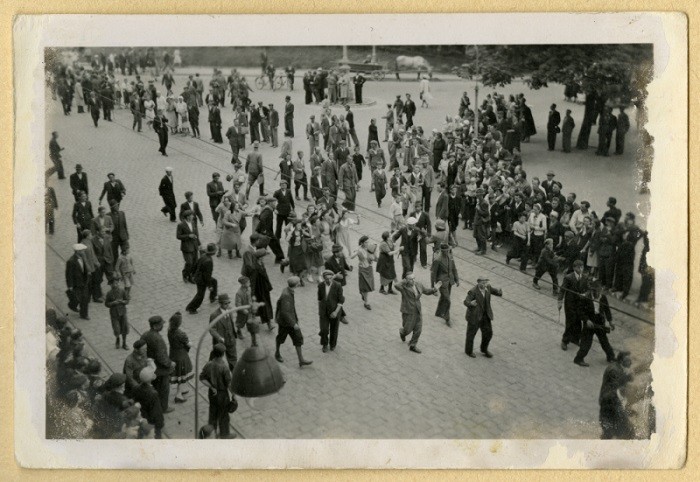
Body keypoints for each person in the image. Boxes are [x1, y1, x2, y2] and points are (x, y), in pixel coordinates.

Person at [573, 280, 616, 367]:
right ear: (592, 290)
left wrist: (610, 321)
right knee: (586, 343)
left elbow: (607, 309)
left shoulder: (603, 297)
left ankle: (610, 357)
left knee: (604, 341)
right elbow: (579, 311)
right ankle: (578, 359)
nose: (597, 293)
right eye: (595, 291)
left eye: (599, 290)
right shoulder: (586, 297)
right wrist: (586, 320)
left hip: (599, 322)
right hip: (589, 322)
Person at [395, 272, 438, 354]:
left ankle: (412, 345)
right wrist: (404, 281)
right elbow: (396, 285)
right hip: (408, 311)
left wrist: (434, 289)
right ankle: (402, 332)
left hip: (417, 309)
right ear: (406, 280)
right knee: (407, 329)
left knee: (418, 328)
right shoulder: (403, 287)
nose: (413, 280)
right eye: (411, 279)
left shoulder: (418, 284)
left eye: (414, 278)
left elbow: (426, 291)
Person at [274, 277, 314, 367]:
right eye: (299, 282)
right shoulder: (287, 295)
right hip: (285, 323)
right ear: (296, 284)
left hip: (290, 321)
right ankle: (277, 353)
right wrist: (294, 324)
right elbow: (285, 312)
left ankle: (301, 360)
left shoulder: (288, 290)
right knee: (280, 338)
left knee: (298, 338)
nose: (300, 283)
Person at [199, 344, 236, 438]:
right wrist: (234, 395)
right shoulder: (224, 367)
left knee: (213, 414)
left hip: (212, 394)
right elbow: (229, 384)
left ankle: (211, 433)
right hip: (222, 395)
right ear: (223, 354)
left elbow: (201, 378)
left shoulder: (209, 364)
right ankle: (225, 434)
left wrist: (211, 387)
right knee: (224, 416)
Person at [141, 315, 175, 414]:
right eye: (161, 325)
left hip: (150, 367)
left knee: (154, 387)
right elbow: (162, 357)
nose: (162, 326)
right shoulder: (157, 339)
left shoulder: (145, 334)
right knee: (164, 389)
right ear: (155, 326)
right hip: (160, 370)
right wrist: (170, 364)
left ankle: (153, 405)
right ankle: (164, 407)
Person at [463, 276, 503, 358]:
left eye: (486, 282)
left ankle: (484, 349)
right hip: (474, 316)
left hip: (485, 315)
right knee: (471, 335)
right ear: (478, 282)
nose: (484, 284)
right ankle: (468, 351)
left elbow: (494, 291)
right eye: (482, 283)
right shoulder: (473, 291)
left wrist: (499, 292)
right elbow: (465, 301)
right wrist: (470, 303)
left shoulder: (488, 287)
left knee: (488, 333)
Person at [242, 234, 275, 331]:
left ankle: (267, 321)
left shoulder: (258, 257)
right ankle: (262, 321)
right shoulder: (250, 255)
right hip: (255, 284)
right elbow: (250, 270)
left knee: (264, 301)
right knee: (258, 302)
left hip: (262, 284)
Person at [599, 351, 634, 439]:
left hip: (609, 400)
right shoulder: (614, 370)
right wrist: (627, 378)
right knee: (626, 429)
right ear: (622, 361)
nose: (631, 362)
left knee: (609, 430)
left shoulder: (617, 367)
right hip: (609, 402)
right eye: (628, 361)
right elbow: (616, 383)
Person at [558, 259, 588, 351]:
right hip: (570, 304)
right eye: (579, 267)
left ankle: (575, 339)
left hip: (580, 304)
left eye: (582, 267)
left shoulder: (584, 277)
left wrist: (585, 294)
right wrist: (559, 301)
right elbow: (562, 290)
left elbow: (587, 289)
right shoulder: (568, 278)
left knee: (578, 322)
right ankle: (565, 341)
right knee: (570, 322)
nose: (581, 269)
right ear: (574, 268)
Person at [133, 366, 165, 439]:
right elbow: (157, 412)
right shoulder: (153, 393)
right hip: (152, 422)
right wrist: (160, 424)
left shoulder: (136, 387)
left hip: (143, 417)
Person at [167, 312, 193, 403]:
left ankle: (181, 389)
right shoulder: (181, 334)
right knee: (182, 374)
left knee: (178, 374)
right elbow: (189, 344)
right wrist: (190, 343)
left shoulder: (169, 330)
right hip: (181, 355)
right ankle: (178, 394)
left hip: (173, 354)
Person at [186, 243, 218, 314]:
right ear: (213, 252)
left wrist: (192, 274)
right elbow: (207, 276)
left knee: (214, 281)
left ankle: (212, 297)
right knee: (200, 295)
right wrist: (209, 286)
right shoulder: (209, 261)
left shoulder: (203, 255)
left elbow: (196, 265)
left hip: (199, 276)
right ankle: (191, 308)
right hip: (202, 280)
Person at [431, 244, 459, 326]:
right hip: (441, 283)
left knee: (444, 298)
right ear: (442, 251)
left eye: (448, 250)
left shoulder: (450, 257)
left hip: (450, 281)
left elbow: (454, 268)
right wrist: (433, 287)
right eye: (445, 251)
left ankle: (439, 312)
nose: (447, 252)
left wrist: (457, 280)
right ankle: (447, 318)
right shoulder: (437, 260)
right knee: (447, 300)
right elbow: (433, 274)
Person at [209, 293, 238, 370]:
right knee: (216, 359)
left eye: (229, 302)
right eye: (225, 303)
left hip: (231, 339)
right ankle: (210, 370)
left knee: (233, 360)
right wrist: (219, 337)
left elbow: (231, 323)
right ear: (220, 303)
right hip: (220, 342)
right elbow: (212, 329)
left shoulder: (230, 310)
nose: (228, 305)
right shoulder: (214, 315)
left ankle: (234, 375)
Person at [317, 269, 345, 353]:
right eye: (326, 278)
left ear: (332, 277)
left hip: (334, 311)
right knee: (324, 329)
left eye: (330, 278)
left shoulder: (338, 285)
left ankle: (332, 344)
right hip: (324, 311)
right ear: (324, 278)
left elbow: (341, 301)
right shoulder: (321, 285)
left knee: (334, 329)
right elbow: (319, 299)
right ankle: (324, 344)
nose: (328, 280)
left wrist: (336, 312)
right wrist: (320, 311)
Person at [65, 243, 91, 320]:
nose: (84, 252)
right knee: (77, 298)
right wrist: (70, 286)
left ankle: (84, 314)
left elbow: (84, 269)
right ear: (78, 251)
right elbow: (68, 275)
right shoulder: (71, 261)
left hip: (84, 282)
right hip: (76, 284)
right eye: (82, 251)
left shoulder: (82, 258)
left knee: (85, 299)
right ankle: (72, 305)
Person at [104, 278, 129, 349]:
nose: (116, 285)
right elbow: (106, 304)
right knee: (117, 329)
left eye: (117, 283)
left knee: (124, 328)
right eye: (115, 283)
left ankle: (124, 343)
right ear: (111, 285)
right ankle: (117, 339)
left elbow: (127, 300)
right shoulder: (109, 293)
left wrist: (123, 302)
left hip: (123, 313)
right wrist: (112, 303)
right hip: (114, 314)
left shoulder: (122, 291)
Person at [177, 210, 200, 283]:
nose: (193, 216)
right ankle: (185, 274)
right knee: (189, 262)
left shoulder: (193, 223)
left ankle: (191, 276)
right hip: (186, 247)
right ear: (188, 217)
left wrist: (199, 244)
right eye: (191, 215)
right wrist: (188, 236)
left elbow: (196, 234)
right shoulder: (181, 225)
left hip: (194, 245)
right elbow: (178, 236)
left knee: (195, 262)